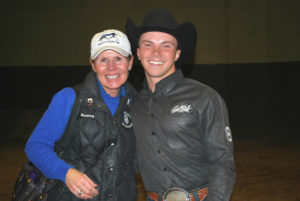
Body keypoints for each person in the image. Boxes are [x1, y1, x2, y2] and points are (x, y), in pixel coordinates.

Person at [126, 9, 236, 201]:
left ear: (177, 54)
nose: (156, 53)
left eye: (166, 46)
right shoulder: (134, 104)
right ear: (138, 52)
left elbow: (222, 162)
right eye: (148, 44)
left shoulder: (205, 97)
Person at [25, 29, 137, 201]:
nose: (111, 67)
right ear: (93, 65)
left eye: (118, 58)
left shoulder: (137, 103)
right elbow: (35, 146)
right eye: (103, 60)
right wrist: (66, 173)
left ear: (130, 62)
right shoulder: (69, 98)